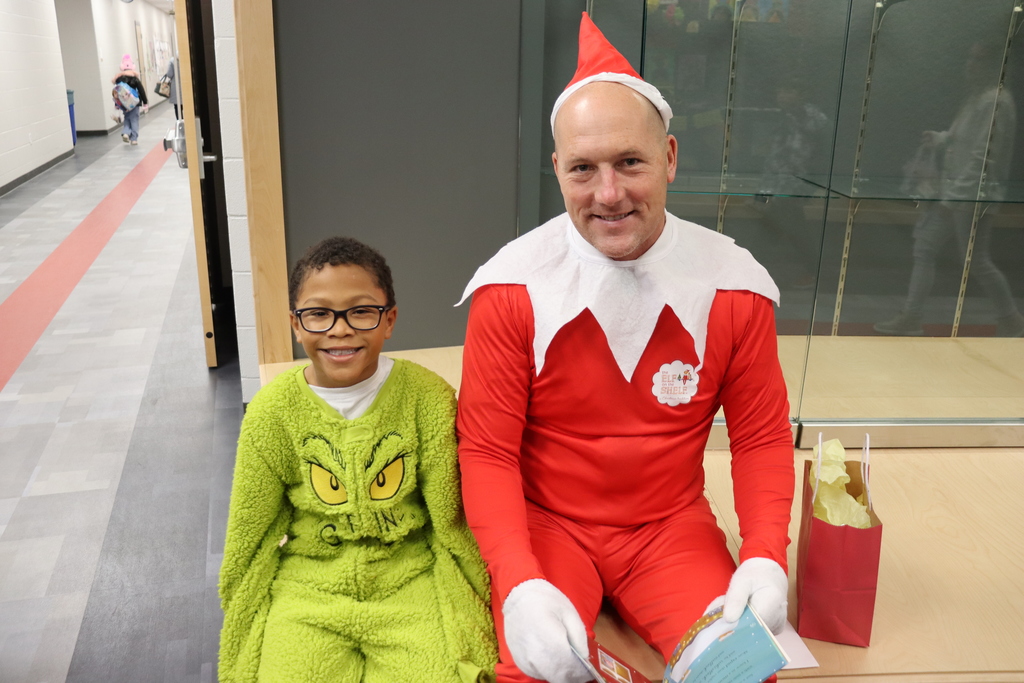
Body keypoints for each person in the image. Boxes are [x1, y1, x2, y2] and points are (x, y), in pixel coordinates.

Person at [456, 14, 793, 683]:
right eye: (583, 169)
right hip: (546, 523)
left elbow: (760, 437)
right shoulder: (512, 288)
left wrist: (764, 554)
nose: (608, 195)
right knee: (534, 668)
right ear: (557, 169)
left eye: (629, 163)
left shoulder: (733, 287)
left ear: (669, 156)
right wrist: (517, 578)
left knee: (742, 671)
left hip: (669, 526)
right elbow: (487, 449)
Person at [218, 237, 497, 683]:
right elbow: (250, 534)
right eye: (318, 313)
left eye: (361, 311)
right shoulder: (271, 413)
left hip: (410, 581)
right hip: (308, 588)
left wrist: (475, 602)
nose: (340, 329)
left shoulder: (429, 399)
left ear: (389, 321)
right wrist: (243, 616)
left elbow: (452, 521)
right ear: (295, 323)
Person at [874, 42, 1023, 337]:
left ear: (993, 66)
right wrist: (940, 138)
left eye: (976, 60)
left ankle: (1012, 319)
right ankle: (912, 317)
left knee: (977, 261)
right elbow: (963, 139)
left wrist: (955, 198)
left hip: (972, 197)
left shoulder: (996, 101)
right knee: (926, 248)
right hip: (957, 194)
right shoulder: (978, 98)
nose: (969, 65)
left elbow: (984, 158)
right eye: (969, 59)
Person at [111, 55, 148, 146]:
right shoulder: (135, 78)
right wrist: (145, 102)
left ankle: (126, 133)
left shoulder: (119, 80)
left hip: (124, 104)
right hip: (134, 103)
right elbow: (141, 90)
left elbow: (116, 93)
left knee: (127, 118)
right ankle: (134, 139)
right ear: (132, 66)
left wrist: (117, 104)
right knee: (134, 120)